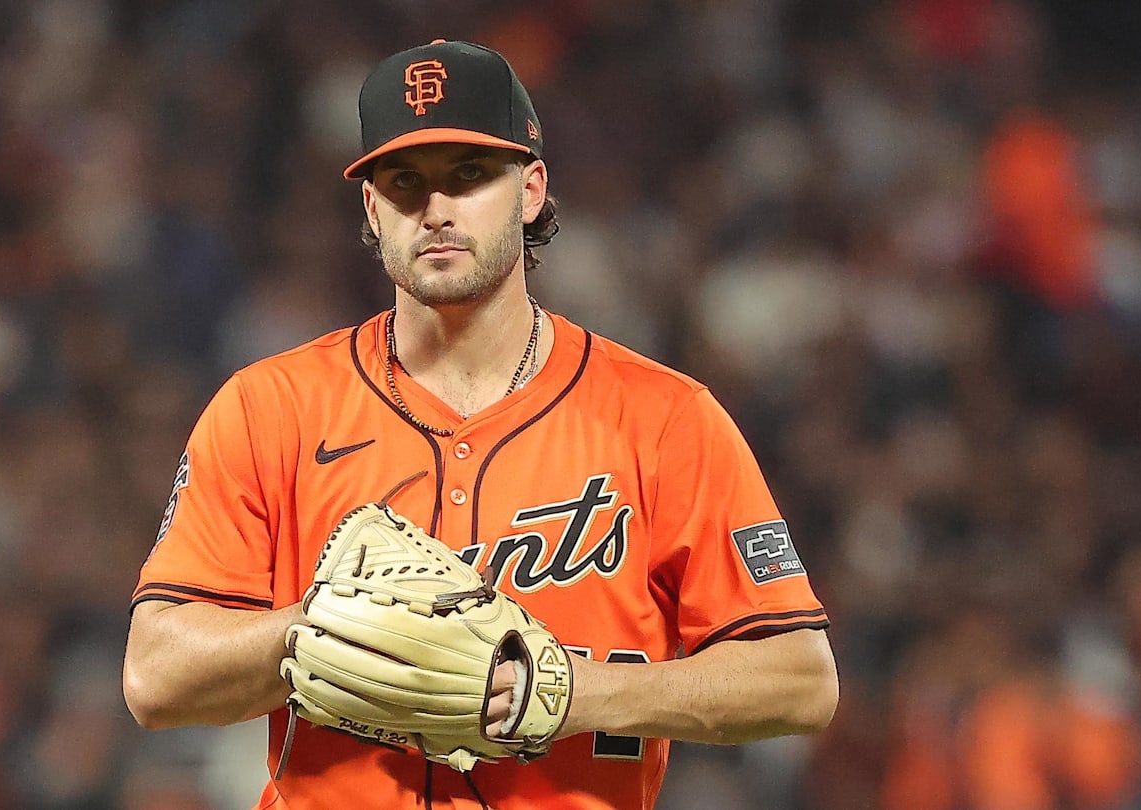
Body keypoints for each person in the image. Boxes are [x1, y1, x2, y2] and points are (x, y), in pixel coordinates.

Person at [123, 38, 839, 810]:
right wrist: (318, 632)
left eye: (468, 175)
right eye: (404, 182)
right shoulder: (270, 409)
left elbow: (800, 681)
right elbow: (154, 676)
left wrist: (578, 693)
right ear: (372, 210)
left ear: (530, 190)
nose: (435, 209)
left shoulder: (663, 418)